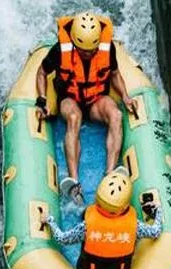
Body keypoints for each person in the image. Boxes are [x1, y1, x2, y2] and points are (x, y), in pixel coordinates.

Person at [35, 12, 138, 205]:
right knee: (74, 118)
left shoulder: (107, 49)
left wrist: (125, 96)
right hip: (69, 99)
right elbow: (41, 72)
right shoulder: (60, 51)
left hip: (96, 99)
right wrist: (42, 98)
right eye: (84, 51)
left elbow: (114, 74)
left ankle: (110, 175)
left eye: (92, 50)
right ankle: (74, 183)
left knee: (115, 114)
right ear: (74, 43)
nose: (89, 54)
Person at [41, 171, 162, 269]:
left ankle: (78, 199)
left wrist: (50, 220)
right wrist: (158, 210)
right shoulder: (136, 226)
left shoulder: (86, 227)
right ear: (125, 205)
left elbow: (62, 238)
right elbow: (156, 231)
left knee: (84, 214)